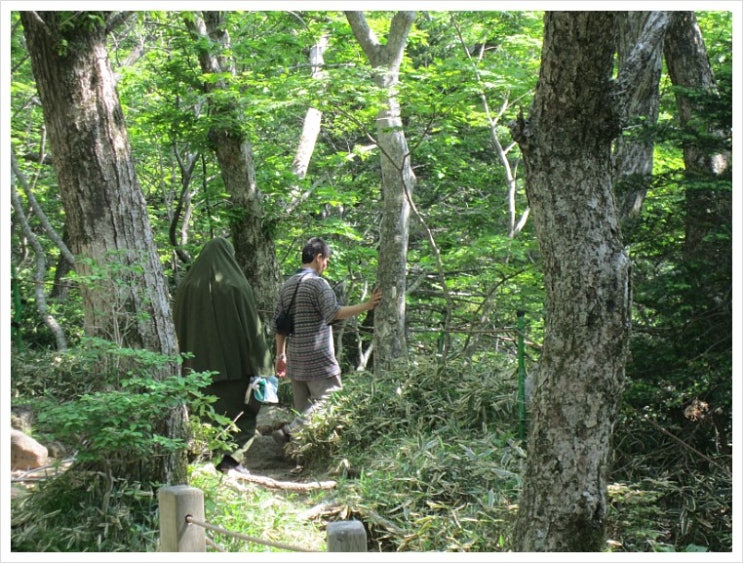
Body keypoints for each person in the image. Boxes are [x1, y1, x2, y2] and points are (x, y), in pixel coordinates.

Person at [172, 237, 274, 471]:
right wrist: (263, 366)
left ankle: (201, 460)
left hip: (194, 369)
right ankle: (229, 461)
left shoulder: (186, 288)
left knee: (202, 416)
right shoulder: (236, 286)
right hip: (234, 368)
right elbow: (251, 328)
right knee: (241, 416)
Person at [271, 237, 382, 444]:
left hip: (295, 359)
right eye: (326, 261)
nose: (325, 266)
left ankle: (297, 455)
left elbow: (279, 325)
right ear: (318, 257)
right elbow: (334, 313)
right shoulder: (318, 284)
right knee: (332, 399)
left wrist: (281, 355)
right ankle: (288, 432)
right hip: (317, 359)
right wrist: (367, 305)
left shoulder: (287, 285)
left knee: (303, 410)